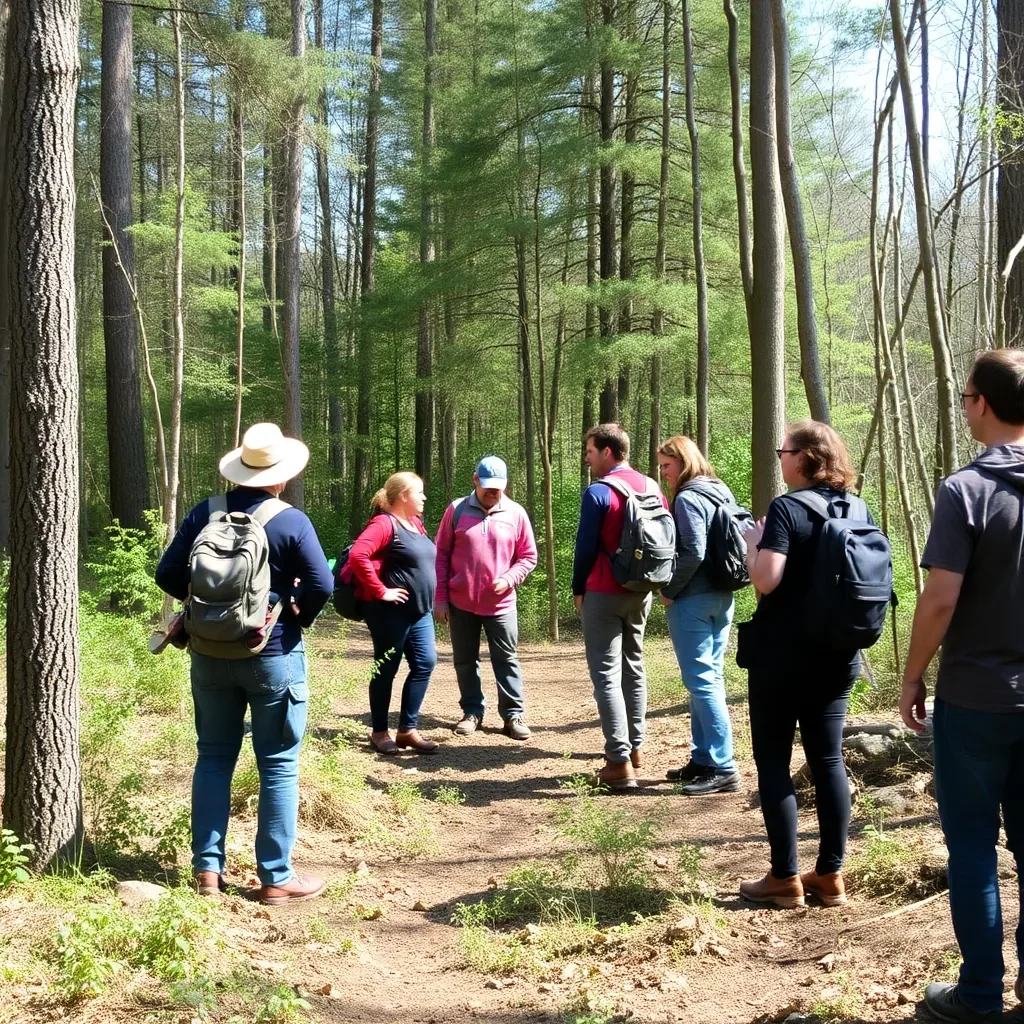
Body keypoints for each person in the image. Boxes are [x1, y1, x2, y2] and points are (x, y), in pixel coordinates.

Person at [156, 422, 334, 907]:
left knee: (213, 756)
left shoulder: (204, 513)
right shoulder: (291, 521)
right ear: (280, 476)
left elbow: (167, 573)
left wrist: (208, 610)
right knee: (277, 764)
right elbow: (321, 584)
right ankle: (276, 877)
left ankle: (207, 874)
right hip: (272, 654)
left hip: (209, 654)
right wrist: (294, 612)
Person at [900, 350, 1024, 1024]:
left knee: (973, 845)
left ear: (979, 401)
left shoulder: (966, 490)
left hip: (978, 696)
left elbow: (940, 598)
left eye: (964, 394)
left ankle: (979, 997)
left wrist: (915, 673)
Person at [738, 420, 863, 909]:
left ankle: (784, 878)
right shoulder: (855, 506)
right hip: (838, 655)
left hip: (782, 659)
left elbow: (766, 581)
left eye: (783, 451)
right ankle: (831, 874)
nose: (780, 458)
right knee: (828, 759)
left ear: (806, 457)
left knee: (773, 761)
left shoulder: (788, 508)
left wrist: (753, 543)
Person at [573, 423, 668, 789]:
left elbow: (585, 547)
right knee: (634, 666)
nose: (586, 458)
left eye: (590, 451)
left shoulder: (599, 492)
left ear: (608, 452)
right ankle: (637, 747)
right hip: (641, 589)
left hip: (604, 590)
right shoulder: (651, 486)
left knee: (606, 675)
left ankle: (618, 760)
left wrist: (578, 588)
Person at [656, 435, 740, 796]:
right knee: (708, 678)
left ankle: (724, 767)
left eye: (667, 466)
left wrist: (669, 591)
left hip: (693, 598)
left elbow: (692, 550)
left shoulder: (689, 498)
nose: (663, 474)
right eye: (660, 467)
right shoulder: (721, 490)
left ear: (684, 462)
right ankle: (703, 757)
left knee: (703, 682)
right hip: (722, 596)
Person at [435, 456, 538, 740]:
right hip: (460, 603)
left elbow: (528, 557)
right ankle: (472, 711)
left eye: (499, 488)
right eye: (488, 487)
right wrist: (440, 598)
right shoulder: (456, 511)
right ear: (475, 481)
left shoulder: (516, 513)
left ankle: (513, 715)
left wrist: (510, 577)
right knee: (465, 660)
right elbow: (440, 555)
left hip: (501, 605)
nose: (493, 493)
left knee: (506, 659)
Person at [348, 471, 439, 755]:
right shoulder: (384, 524)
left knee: (425, 663)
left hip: (420, 612)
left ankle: (407, 730)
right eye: (419, 492)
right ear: (403, 496)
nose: (423, 497)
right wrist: (381, 590)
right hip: (390, 612)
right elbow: (358, 555)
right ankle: (379, 732)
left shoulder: (415, 524)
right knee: (387, 668)